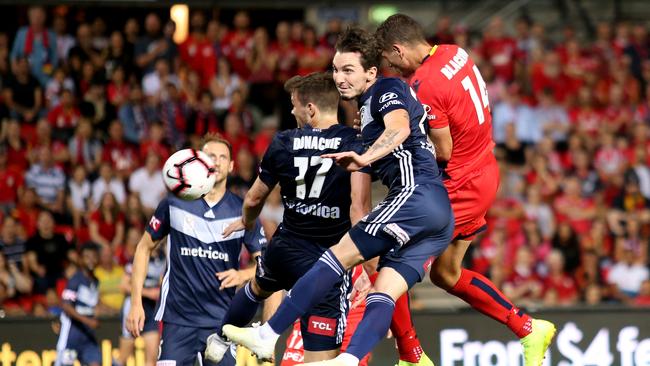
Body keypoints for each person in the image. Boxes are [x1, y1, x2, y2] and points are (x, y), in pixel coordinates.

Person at [221, 27, 454, 365]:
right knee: (383, 294)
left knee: (334, 257)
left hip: (415, 195)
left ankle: (266, 334)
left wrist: (365, 157)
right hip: (438, 217)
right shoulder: (365, 112)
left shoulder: (385, 90)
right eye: (335, 69)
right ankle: (347, 360)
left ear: (371, 73)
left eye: (348, 70)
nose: (339, 78)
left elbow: (399, 127)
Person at [374, 14, 556, 365]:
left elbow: (443, 151)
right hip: (484, 169)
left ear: (397, 50)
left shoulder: (424, 84)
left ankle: (412, 357)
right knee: (446, 273)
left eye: (389, 59)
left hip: (459, 183)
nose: (390, 67)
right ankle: (528, 327)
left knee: (391, 264)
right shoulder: (455, 52)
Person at [204, 71, 372, 363]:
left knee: (257, 287)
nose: (292, 111)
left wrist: (246, 221)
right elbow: (359, 206)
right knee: (320, 357)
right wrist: (369, 263)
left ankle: (220, 337)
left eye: (294, 104)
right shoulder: (354, 142)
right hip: (328, 262)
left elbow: (255, 198)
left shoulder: (283, 141)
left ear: (311, 109)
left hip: (285, 250)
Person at [126, 135, 266, 366]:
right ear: (200, 162)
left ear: (231, 166)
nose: (218, 162)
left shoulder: (243, 211)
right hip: (177, 320)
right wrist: (135, 303)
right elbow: (143, 248)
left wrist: (242, 275)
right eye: (211, 156)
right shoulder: (174, 202)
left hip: (222, 321)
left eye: (223, 158)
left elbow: (266, 264)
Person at [116, 247, 165, 366]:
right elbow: (123, 286)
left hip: (151, 309)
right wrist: (148, 293)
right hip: (134, 307)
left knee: (152, 357)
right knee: (124, 355)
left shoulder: (163, 258)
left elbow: (161, 280)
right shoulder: (137, 257)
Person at [55, 243, 101, 366]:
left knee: (95, 362)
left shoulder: (95, 281)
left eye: (94, 256)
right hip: (71, 334)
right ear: (80, 260)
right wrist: (87, 321)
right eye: (87, 257)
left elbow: (92, 305)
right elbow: (66, 306)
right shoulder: (75, 280)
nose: (91, 260)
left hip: (87, 336)